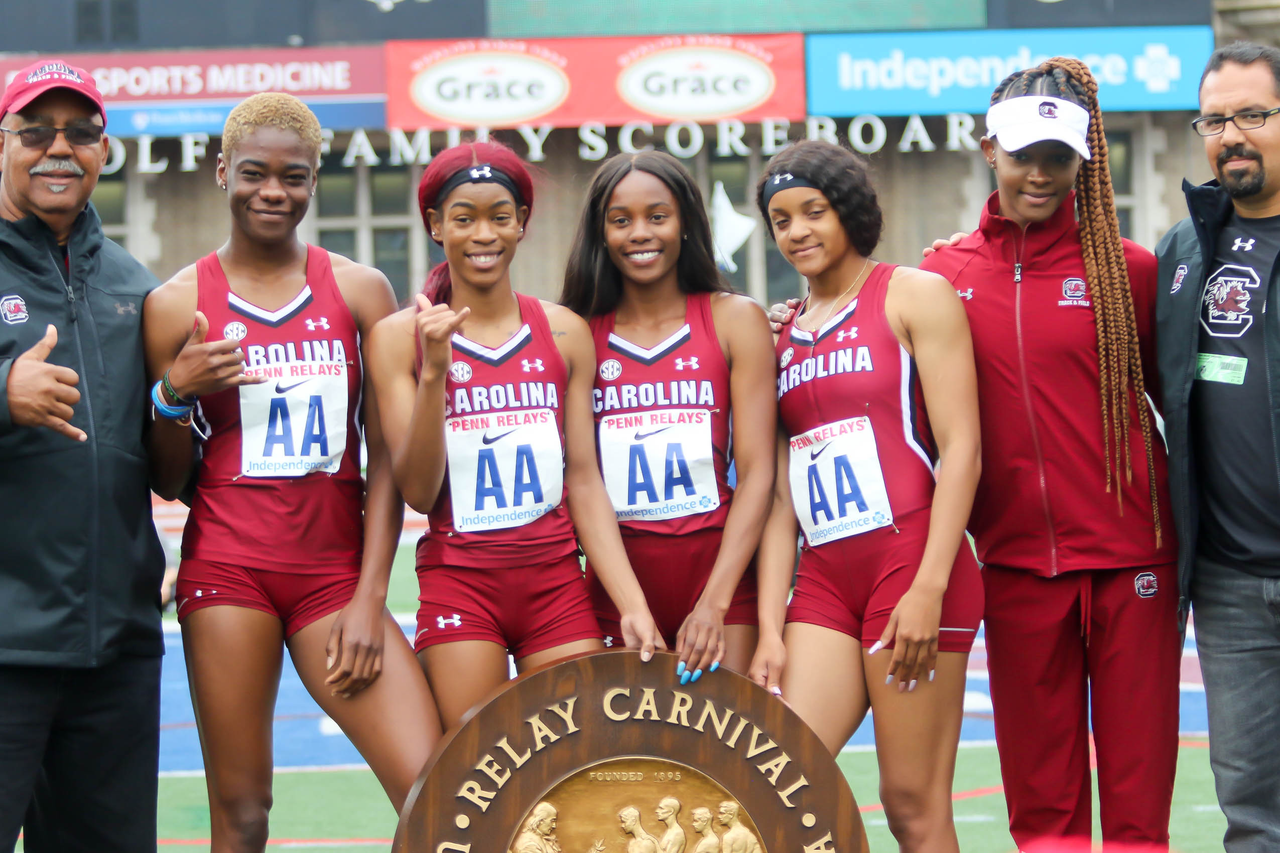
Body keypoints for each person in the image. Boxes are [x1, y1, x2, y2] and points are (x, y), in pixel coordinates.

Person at [786, 58, 1178, 848]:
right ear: (986, 145)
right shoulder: (942, 274)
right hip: (1017, 566)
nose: (1039, 173)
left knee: (1138, 811)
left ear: (1083, 159)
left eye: (1058, 156)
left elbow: (1184, 413)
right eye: (1023, 152)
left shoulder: (1131, 272)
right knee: (1043, 810)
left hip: (1134, 560)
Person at [143, 92, 440, 850]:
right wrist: (175, 393)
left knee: (438, 787)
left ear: (314, 181)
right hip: (230, 571)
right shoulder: (178, 303)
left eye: (294, 176)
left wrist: (373, 598)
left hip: (334, 577)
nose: (273, 191)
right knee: (242, 816)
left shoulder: (358, 289)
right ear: (221, 173)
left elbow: (379, 462)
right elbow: (171, 478)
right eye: (254, 173)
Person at [366, 141, 662, 731]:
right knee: (482, 775)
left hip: (554, 583)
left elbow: (582, 478)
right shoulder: (398, 338)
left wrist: (631, 602)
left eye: (500, 217)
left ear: (522, 224)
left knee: (576, 766)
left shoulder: (565, 332)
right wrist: (434, 373)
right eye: (465, 218)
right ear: (434, 225)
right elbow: (421, 492)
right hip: (461, 585)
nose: (484, 235)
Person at [750, 139, 983, 853]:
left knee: (911, 802)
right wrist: (767, 626)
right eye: (781, 219)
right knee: (774, 777)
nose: (798, 232)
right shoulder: (783, 334)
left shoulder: (911, 294)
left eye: (813, 212)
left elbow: (963, 448)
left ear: (848, 210)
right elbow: (782, 499)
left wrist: (929, 585)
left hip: (910, 564)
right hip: (824, 578)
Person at [0, 60, 167, 852]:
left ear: (105, 150)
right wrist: (3, 393)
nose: (58, 149)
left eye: (80, 133)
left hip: (116, 652)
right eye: (36, 131)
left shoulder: (137, 285)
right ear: (4, 144)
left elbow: (164, 458)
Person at [560, 152, 775, 680]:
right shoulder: (577, 333)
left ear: (686, 224)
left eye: (658, 216)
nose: (640, 233)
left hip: (724, 586)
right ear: (600, 232)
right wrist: (631, 602)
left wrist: (715, 603)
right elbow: (580, 479)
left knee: (727, 758)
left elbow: (758, 475)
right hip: (618, 591)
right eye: (620, 219)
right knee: (628, 763)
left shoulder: (734, 318)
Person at [1156, 41, 1280, 851]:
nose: (1231, 134)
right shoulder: (1183, 252)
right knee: (1253, 813)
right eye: (1215, 118)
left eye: (1254, 115)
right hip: (1233, 586)